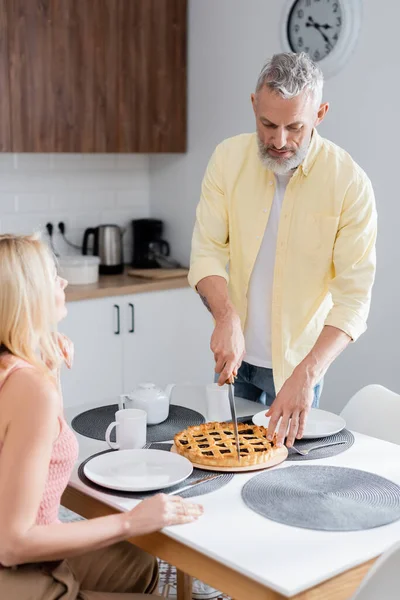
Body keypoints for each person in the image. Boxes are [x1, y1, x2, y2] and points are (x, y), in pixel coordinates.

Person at [189, 52, 377, 450]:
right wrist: (225, 316)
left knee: (286, 481)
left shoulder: (349, 184)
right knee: (226, 463)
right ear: (254, 105)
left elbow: (354, 300)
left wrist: (307, 375)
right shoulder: (227, 160)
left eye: (295, 127)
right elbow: (206, 251)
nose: (278, 141)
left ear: (320, 114)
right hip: (235, 363)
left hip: (299, 369)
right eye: (268, 124)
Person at [0, 233, 203, 600]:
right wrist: (130, 521)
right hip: (15, 577)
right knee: (134, 544)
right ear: (26, 297)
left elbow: (42, 450)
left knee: (136, 564)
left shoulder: (16, 372)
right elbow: (13, 543)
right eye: (51, 275)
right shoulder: (29, 388)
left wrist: (46, 360)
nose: (62, 282)